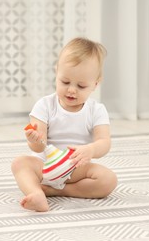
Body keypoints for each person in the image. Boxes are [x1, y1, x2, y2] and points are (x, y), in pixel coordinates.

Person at [11, 37, 118, 212]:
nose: (71, 90)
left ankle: (55, 191)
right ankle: (36, 193)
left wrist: (90, 150)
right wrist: (34, 139)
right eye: (65, 82)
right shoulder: (45, 105)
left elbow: (104, 142)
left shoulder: (96, 110)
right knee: (19, 163)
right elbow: (38, 148)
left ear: (95, 84)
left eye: (81, 86)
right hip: (44, 167)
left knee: (109, 179)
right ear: (57, 72)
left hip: (76, 170)